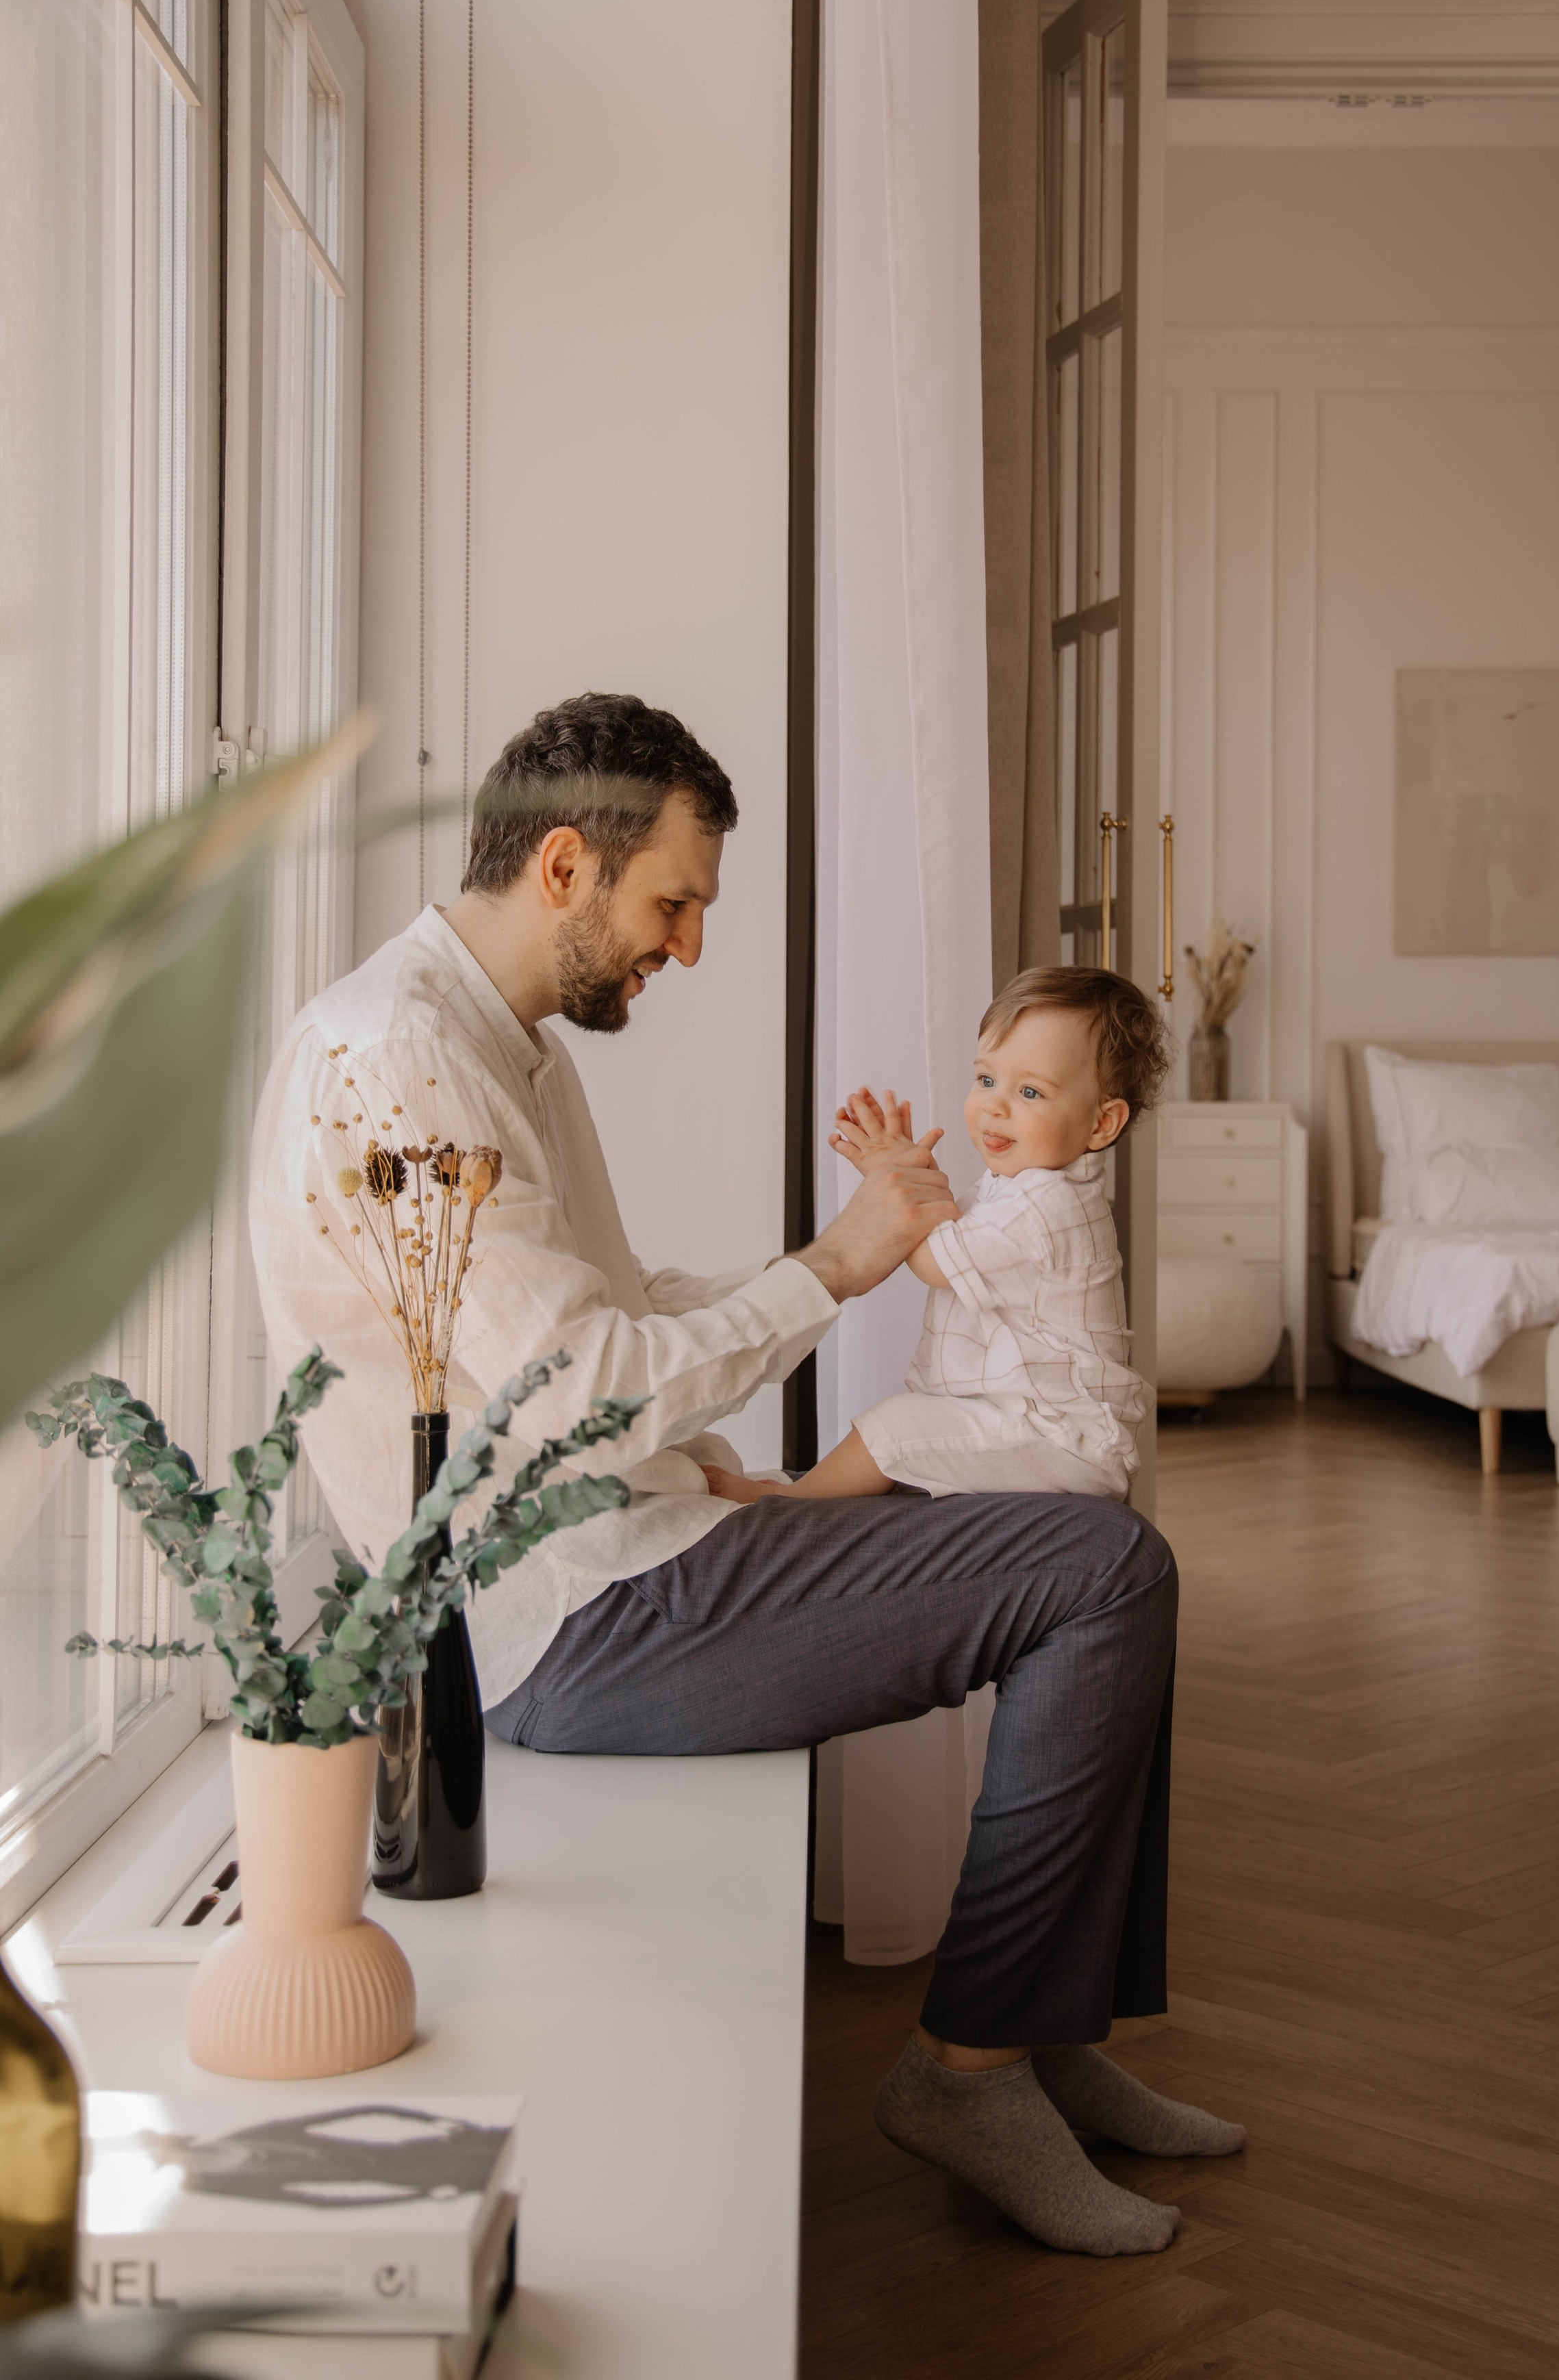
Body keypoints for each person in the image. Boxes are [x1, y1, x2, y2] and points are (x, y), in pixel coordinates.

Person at [249, 692, 1243, 2260]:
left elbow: (609, 1311)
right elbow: (579, 1382)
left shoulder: (491, 1042)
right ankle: (972, 2069)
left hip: (619, 1548)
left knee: (1093, 1532)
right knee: (1104, 1566)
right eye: (675, 902)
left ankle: (1036, 2038)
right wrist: (840, 1265)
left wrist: (724, 1421)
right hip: (563, 1624)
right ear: (565, 864)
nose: (689, 944)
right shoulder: (399, 1060)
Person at [705, 968, 1165, 1508]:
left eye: (1031, 1091)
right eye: (987, 1080)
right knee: (906, 1428)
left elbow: (932, 1259)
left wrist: (891, 1173)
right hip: (1028, 1420)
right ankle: (803, 1495)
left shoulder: (1049, 1206)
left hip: (1061, 1438)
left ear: (1101, 1124)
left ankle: (784, 1504)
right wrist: (907, 1177)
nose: (995, 1105)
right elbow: (942, 1226)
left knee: (896, 1429)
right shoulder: (1016, 1189)